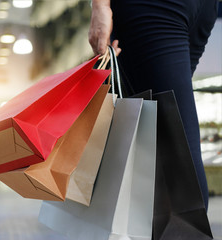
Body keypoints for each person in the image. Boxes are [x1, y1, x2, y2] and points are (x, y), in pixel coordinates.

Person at [89, 0, 219, 210]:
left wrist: (100, 5)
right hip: (184, 8)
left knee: (170, 151)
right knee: (172, 149)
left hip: (166, 8)